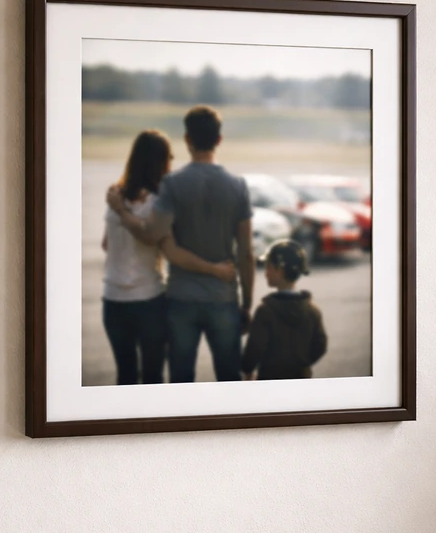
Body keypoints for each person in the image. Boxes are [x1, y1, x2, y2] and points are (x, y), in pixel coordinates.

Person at [107, 106, 255, 383]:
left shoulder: (172, 184)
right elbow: (246, 253)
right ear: (219, 140)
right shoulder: (238, 186)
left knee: (181, 380)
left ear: (187, 139)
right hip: (223, 299)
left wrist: (121, 211)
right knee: (229, 378)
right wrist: (247, 303)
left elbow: (152, 235)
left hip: (181, 300)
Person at [241, 240, 327, 380]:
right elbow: (320, 345)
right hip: (301, 377)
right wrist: (302, 363)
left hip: (270, 378)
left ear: (279, 271)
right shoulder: (312, 311)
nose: (265, 273)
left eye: (268, 267)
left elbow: (255, 347)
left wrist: (247, 369)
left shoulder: (265, 311)